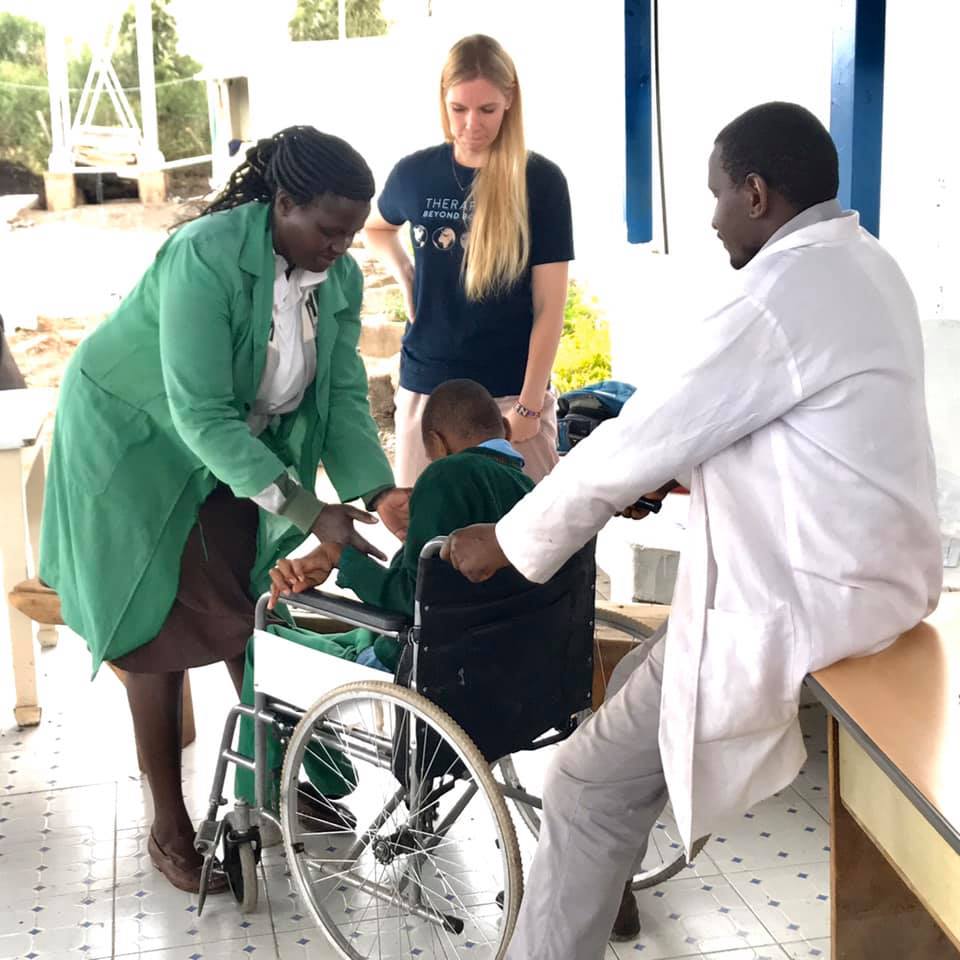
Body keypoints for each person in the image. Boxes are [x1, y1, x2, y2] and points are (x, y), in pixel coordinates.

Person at [441, 102, 943, 958]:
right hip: (878, 585)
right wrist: (677, 477)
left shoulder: (780, 294)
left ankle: (579, 895)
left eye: (716, 196)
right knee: (635, 689)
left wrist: (509, 540)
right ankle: (602, 880)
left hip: (802, 603)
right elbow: (800, 436)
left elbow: (641, 435)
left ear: (756, 193)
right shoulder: (867, 263)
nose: (711, 219)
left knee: (582, 785)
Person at [39, 126, 409, 894]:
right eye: (329, 229)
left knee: (246, 603)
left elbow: (342, 396)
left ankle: (274, 776)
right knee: (156, 626)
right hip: (134, 440)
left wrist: (378, 491)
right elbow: (199, 412)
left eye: (351, 233)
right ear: (284, 203)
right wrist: (306, 508)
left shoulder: (336, 278)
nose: (342, 247)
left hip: (228, 444)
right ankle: (169, 825)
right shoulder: (204, 257)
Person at [236, 378, 534, 812]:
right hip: (497, 673)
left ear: (437, 443)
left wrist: (341, 559)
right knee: (325, 638)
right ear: (502, 432)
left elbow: (407, 598)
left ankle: (260, 802)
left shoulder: (446, 476)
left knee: (264, 646)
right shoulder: (530, 490)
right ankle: (325, 776)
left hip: (414, 676)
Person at [364, 34, 574, 486]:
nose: (471, 124)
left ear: (510, 101)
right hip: (427, 391)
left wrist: (529, 406)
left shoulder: (540, 181)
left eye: (487, 110)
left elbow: (550, 306)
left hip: (510, 396)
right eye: (459, 108)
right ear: (443, 99)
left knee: (528, 528)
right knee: (425, 526)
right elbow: (376, 228)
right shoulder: (414, 173)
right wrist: (405, 274)